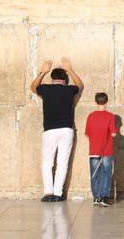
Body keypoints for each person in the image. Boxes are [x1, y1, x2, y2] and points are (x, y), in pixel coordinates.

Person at [30, 57, 83, 202]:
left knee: (47, 162)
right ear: (65, 79)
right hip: (66, 130)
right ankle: (58, 193)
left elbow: (33, 87)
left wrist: (42, 72)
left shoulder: (45, 89)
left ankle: (48, 192)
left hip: (50, 130)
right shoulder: (69, 90)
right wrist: (70, 70)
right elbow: (80, 85)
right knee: (62, 163)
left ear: (52, 78)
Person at [85, 92, 118, 207]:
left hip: (94, 149)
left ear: (95, 102)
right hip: (106, 150)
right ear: (107, 102)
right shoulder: (110, 116)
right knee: (106, 173)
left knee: (95, 174)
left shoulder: (90, 116)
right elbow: (113, 134)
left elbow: (87, 133)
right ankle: (104, 197)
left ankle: (96, 197)